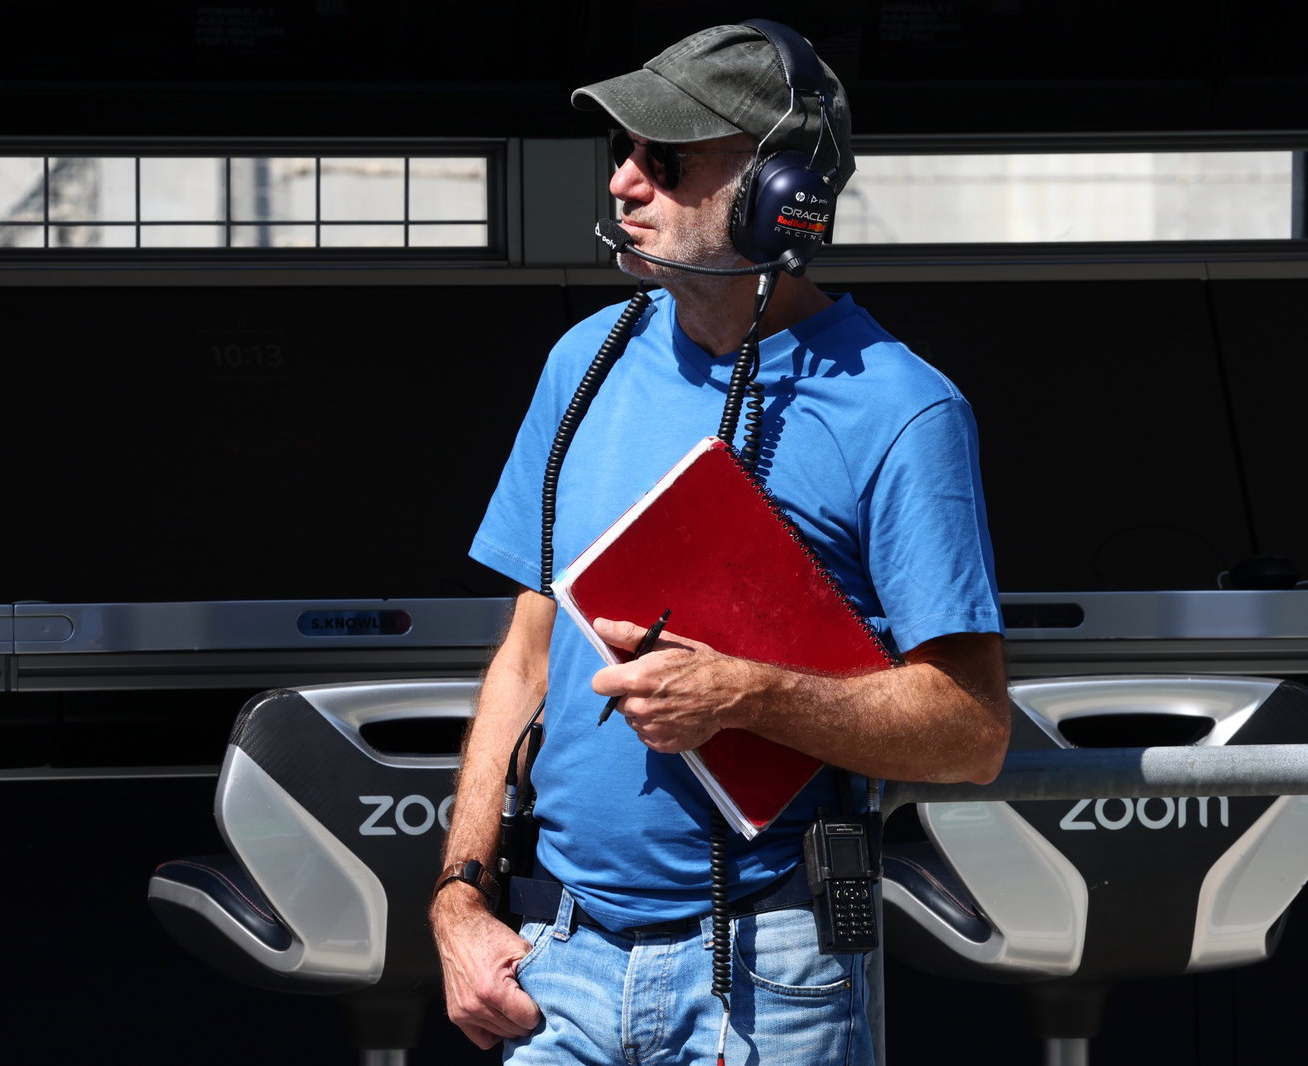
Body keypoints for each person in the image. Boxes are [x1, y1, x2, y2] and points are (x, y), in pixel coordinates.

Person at [430, 20, 1010, 1065]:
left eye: (666, 159)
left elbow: (969, 731)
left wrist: (750, 697)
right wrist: (460, 898)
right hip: (556, 958)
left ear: (778, 192)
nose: (624, 181)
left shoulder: (903, 409)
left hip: (770, 969)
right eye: (624, 152)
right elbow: (525, 656)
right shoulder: (583, 363)